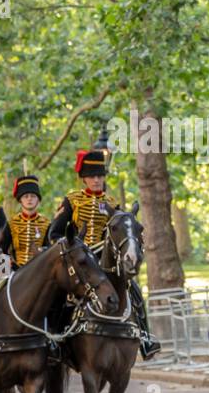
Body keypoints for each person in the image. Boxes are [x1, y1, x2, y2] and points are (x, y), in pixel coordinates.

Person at [47, 146, 161, 359]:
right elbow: (54, 233)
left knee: (133, 289)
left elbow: (118, 234)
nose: (96, 180)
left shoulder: (111, 203)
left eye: (99, 175)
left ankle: (145, 337)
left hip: (104, 258)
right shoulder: (72, 201)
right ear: (84, 179)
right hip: (77, 260)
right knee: (58, 294)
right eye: (91, 176)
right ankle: (54, 341)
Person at [2, 175, 49, 268]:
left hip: (39, 270)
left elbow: (50, 250)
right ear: (20, 200)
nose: (29, 199)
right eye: (25, 196)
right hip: (15, 271)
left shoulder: (46, 224)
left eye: (33, 196)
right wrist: (8, 263)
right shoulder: (11, 224)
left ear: (38, 200)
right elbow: (2, 249)